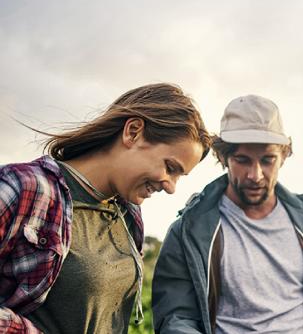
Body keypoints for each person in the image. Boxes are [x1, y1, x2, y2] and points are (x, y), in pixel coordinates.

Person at [0, 83, 212, 333]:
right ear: (133, 132)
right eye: (170, 167)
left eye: (180, 176)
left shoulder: (128, 214)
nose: (171, 187)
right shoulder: (24, 188)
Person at [152, 94, 303, 334]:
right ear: (223, 157)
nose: (255, 175)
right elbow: (175, 318)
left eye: (267, 160)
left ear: (284, 156)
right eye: (243, 160)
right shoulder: (189, 230)